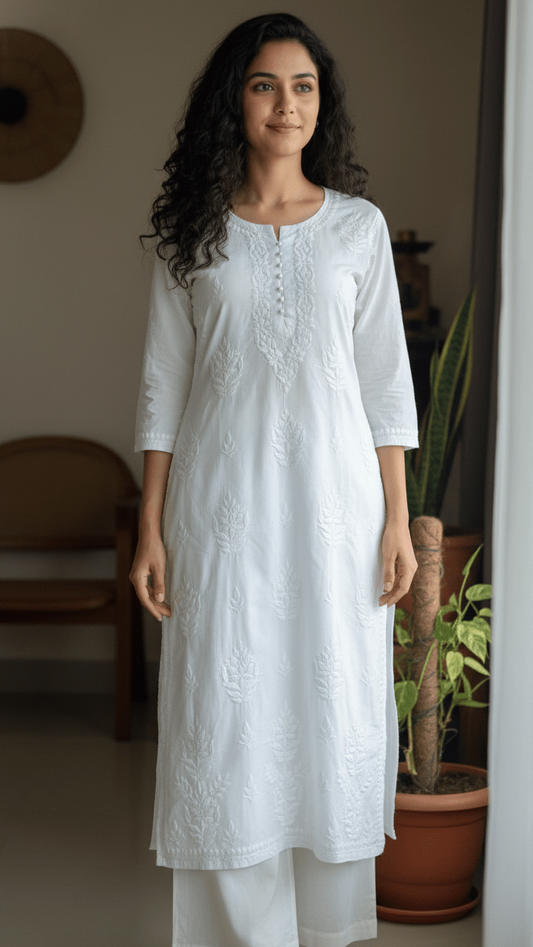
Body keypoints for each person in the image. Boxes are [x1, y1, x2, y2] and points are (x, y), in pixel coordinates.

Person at [130, 12, 418, 946]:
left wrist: (396, 523)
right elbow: (162, 386)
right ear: (234, 101)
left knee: (330, 714)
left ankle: (329, 933)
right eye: (263, 84)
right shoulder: (194, 236)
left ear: (319, 103)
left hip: (340, 516)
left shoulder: (357, 230)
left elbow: (385, 384)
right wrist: (151, 526)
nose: (285, 103)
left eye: (302, 85)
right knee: (229, 712)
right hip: (225, 514)